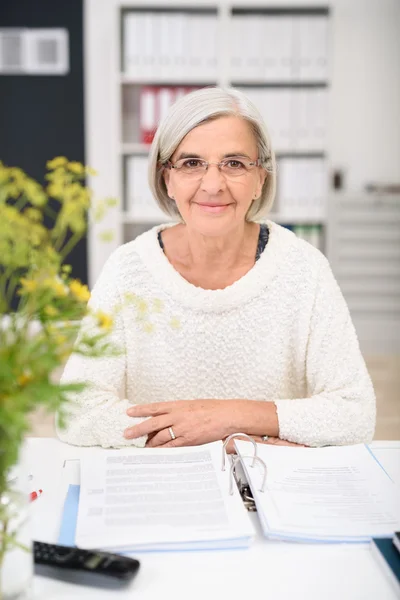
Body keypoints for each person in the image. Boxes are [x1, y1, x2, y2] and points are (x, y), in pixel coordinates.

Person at [57, 86, 376, 451]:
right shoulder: (127, 269)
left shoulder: (305, 268)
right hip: (160, 484)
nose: (213, 184)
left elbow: (355, 412)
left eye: (235, 163)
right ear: (167, 179)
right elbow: (76, 411)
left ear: (261, 179)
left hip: (269, 486)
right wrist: (234, 439)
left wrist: (224, 417)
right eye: (192, 163)